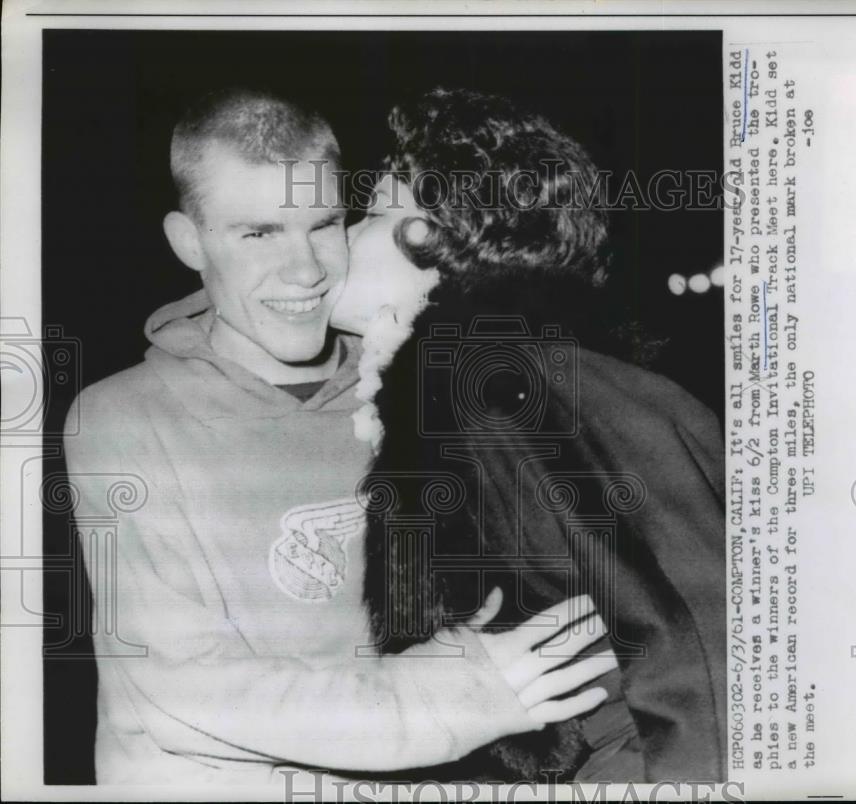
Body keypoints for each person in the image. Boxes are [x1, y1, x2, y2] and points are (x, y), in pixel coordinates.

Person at [62, 87, 615, 784]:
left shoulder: (412, 389)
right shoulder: (123, 417)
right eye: (258, 233)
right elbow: (184, 690)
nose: (306, 270)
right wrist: (453, 697)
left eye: (323, 224)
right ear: (188, 242)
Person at [330, 88, 727, 782]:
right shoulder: (494, 384)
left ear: (436, 238)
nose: (343, 236)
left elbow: (696, 657)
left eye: (372, 212)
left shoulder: (509, 389)